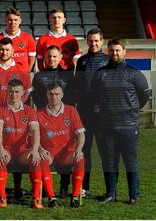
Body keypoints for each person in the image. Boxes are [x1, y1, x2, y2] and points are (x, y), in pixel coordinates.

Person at [91, 38, 149, 205]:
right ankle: (110, 193)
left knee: (130, 161)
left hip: (129, 126)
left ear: (124, 52)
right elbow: (95, 96)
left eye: (118, 50)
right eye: (111, 50)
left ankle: (133, 195)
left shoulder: (134, 73)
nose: (114, 53)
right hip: (107, 126)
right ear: (107, 52)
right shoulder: (100, 73)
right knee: (109, 161)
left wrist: (131, 110)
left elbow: (143, 97)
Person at [0, 79, 42, 208]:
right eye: (10, 92)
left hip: (22, 151)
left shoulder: (30, 110)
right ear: (7, 92)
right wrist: (0, 149)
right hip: (7, 149)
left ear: (22, 93)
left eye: (16, 92)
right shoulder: (0, 110)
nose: (13, 95)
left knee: (34, 158)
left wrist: (35, 149)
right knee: (1, 158)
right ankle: (2, 197)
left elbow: (35, 131)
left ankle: (36, 197)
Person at [37, 82, 86, 208]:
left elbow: (81, 134)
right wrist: (40, 149)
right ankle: (51, 198)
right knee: (41, 159)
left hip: (67, 154)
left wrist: (79, 149)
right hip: (49, 154)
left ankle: (75, 197)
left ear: (62, 95)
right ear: (47, 95)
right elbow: (32, 137)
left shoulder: (71, 110)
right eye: (51, 94)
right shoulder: (39, 114)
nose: (54, 97)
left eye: (57, 94)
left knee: (80, 158)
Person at [73, 28, 108, 197]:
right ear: (86, 41)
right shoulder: (81, 61)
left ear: (102, 42)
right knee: (84, 151)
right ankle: (84, 187)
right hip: (84, 113)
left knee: (105, 151)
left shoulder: (108, 60)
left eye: (97, 40)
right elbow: (78, 85)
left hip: (101, 114)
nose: (93, 43)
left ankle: (110, 190)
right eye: (91, 40)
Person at [0, 38, 31, 110]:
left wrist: (17, 106)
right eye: (2, 49)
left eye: (7, 50)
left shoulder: (22, 70)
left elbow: (27, 92)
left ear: (12, 51)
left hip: (17, 113)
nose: (4, 53)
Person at [0, 8, 36, 72]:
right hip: (2, 75)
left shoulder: (28, 38)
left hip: (22, 75)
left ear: (20, 21)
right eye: (10, 20)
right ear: (5, 20)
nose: (13, 22)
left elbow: (32, 59)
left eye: (15, 20)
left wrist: (26, 73)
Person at [31, 45, 75, 110]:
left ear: (60, 57)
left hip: (64, 113)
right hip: (45, 113)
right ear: (45, 57)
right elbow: (35, 95)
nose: (51, 59)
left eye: (54, 56)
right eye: (49, 56)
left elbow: (73, 95)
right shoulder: (38, 76)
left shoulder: (68, 75)